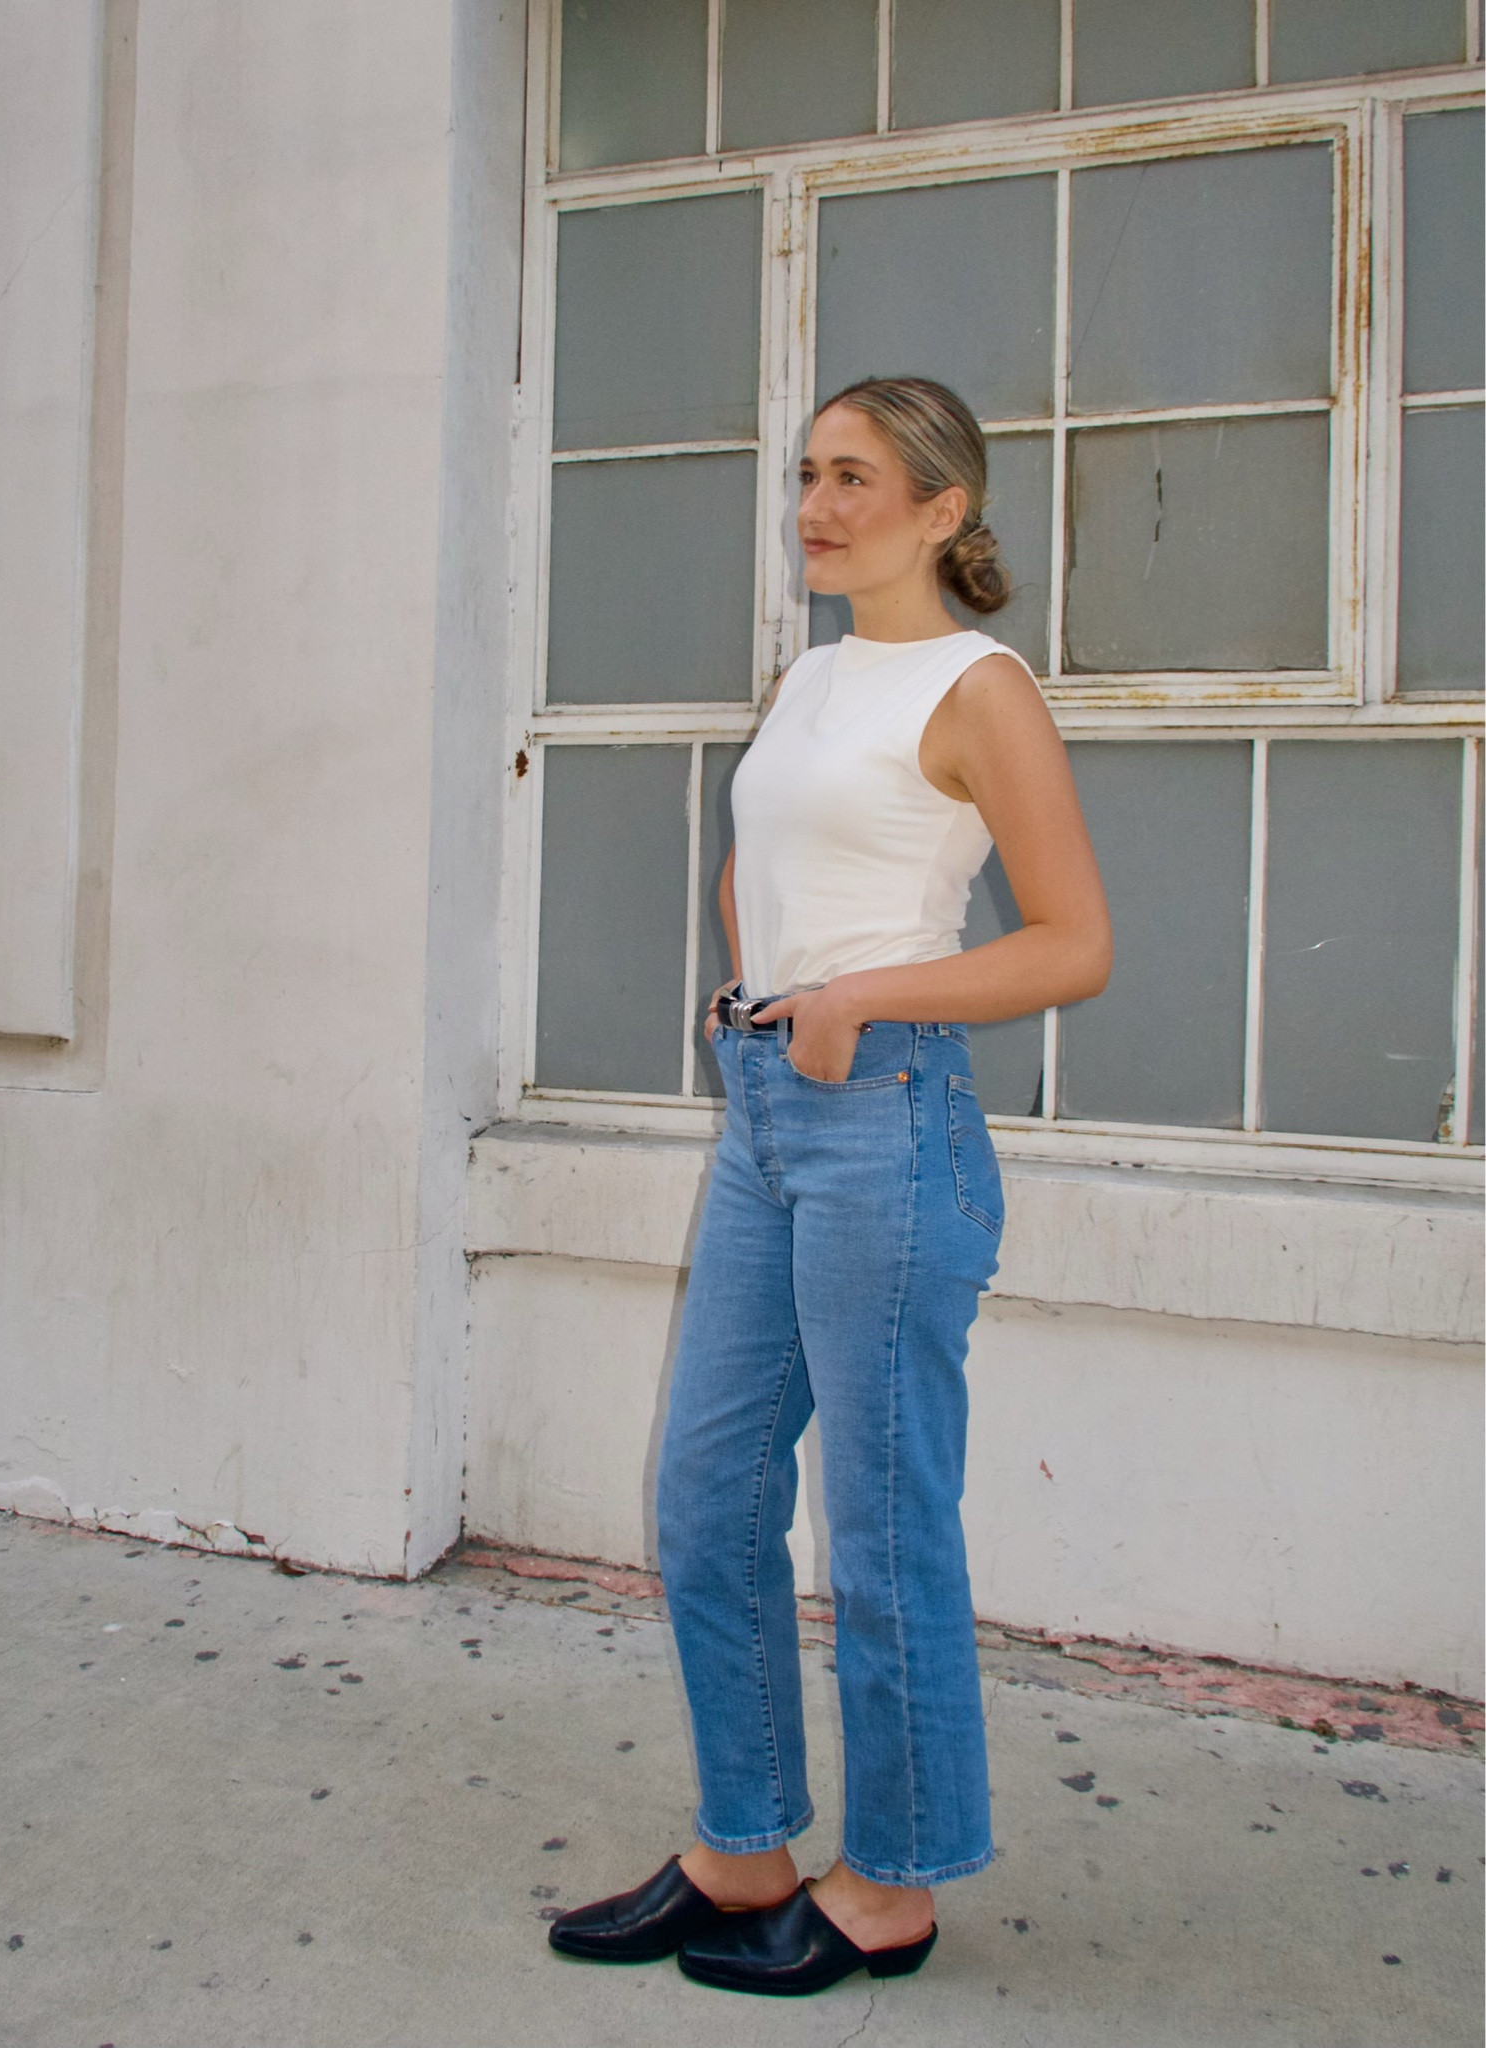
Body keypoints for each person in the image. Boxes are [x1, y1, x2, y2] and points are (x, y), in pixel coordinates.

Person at [548, 375, 1112, 1997]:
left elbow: (1071, 942)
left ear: (942, 509)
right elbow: (758, 855)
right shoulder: (815, 672)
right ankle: (744, 1843)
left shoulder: (979, 685)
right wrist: (763, 989)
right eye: (808, 473)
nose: (819, 501)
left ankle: (892, 1883)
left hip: (893, 1127)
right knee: (708, 1494)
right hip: (774, 1117)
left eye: (856, 476)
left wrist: (859, 999)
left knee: (877, 1524)